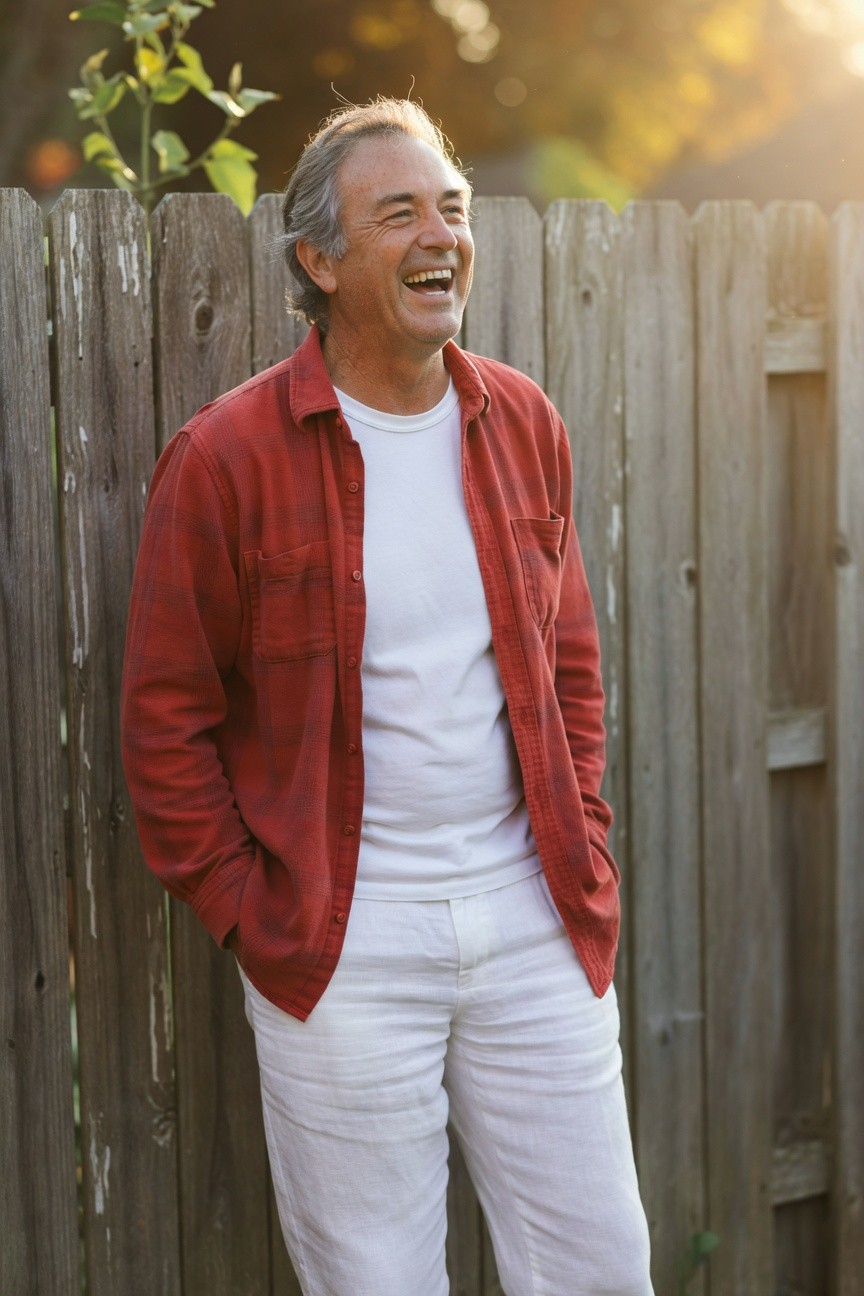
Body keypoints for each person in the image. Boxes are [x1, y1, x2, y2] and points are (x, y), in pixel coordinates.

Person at [121, 97, 654, 1296]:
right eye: (400, 212)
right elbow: (164, 724)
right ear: (321, 261)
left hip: (533, 923)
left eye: (453, 210)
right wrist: (258, 915)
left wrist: (584, 849)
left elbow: (570, 666)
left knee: (601, 1270)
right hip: (340, 949)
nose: (440, 235)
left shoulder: (522, 423)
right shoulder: (225, 460)